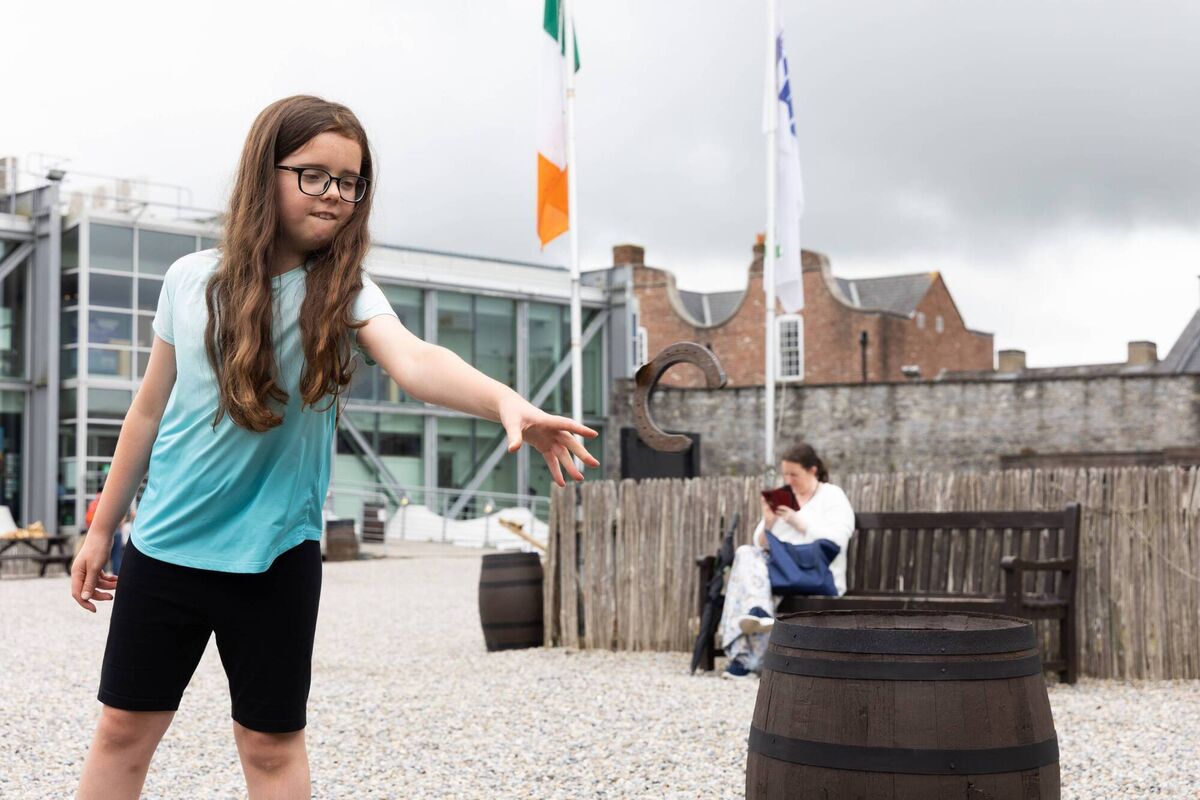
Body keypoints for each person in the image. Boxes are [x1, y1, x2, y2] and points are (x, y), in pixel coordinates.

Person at [70, 95, 600, 800]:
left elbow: (415, 362)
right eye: (314, 175)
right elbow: (146, 412)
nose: (335, 195)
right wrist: (102, 529)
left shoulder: (343, 292)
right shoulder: (189, 280)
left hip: (276, 558)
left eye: (350, 181)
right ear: (267, 173)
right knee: (122, 734)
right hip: (165, 550)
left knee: (270, 747)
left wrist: (506, 401)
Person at [717, 442, 854, 680]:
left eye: (794, 474)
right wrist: (768, 522)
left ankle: (744, 660)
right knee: (745, 554)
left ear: (812, 471)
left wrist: (798, 522)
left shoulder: (832, 495)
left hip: (814, 573)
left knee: (747, 585)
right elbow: (760, 544)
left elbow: (838, 539)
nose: (789, 480)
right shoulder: (783, 497)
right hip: (778, 572)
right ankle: (757, 613)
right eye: (785, 474)